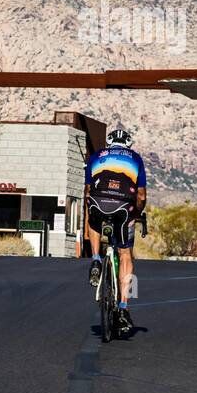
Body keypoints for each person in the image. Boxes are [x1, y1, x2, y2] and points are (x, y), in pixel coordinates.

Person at [84, 127, 146, 334]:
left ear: (109, 143)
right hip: (123, 207)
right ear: (128, 145)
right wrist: (136, 214)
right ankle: (122, 308)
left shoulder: (96, 156)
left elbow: (87, 191)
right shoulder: (135, 158)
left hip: (98, 203)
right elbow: (142, 196)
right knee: (125, 254)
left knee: (92, 217)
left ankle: (95, 258)